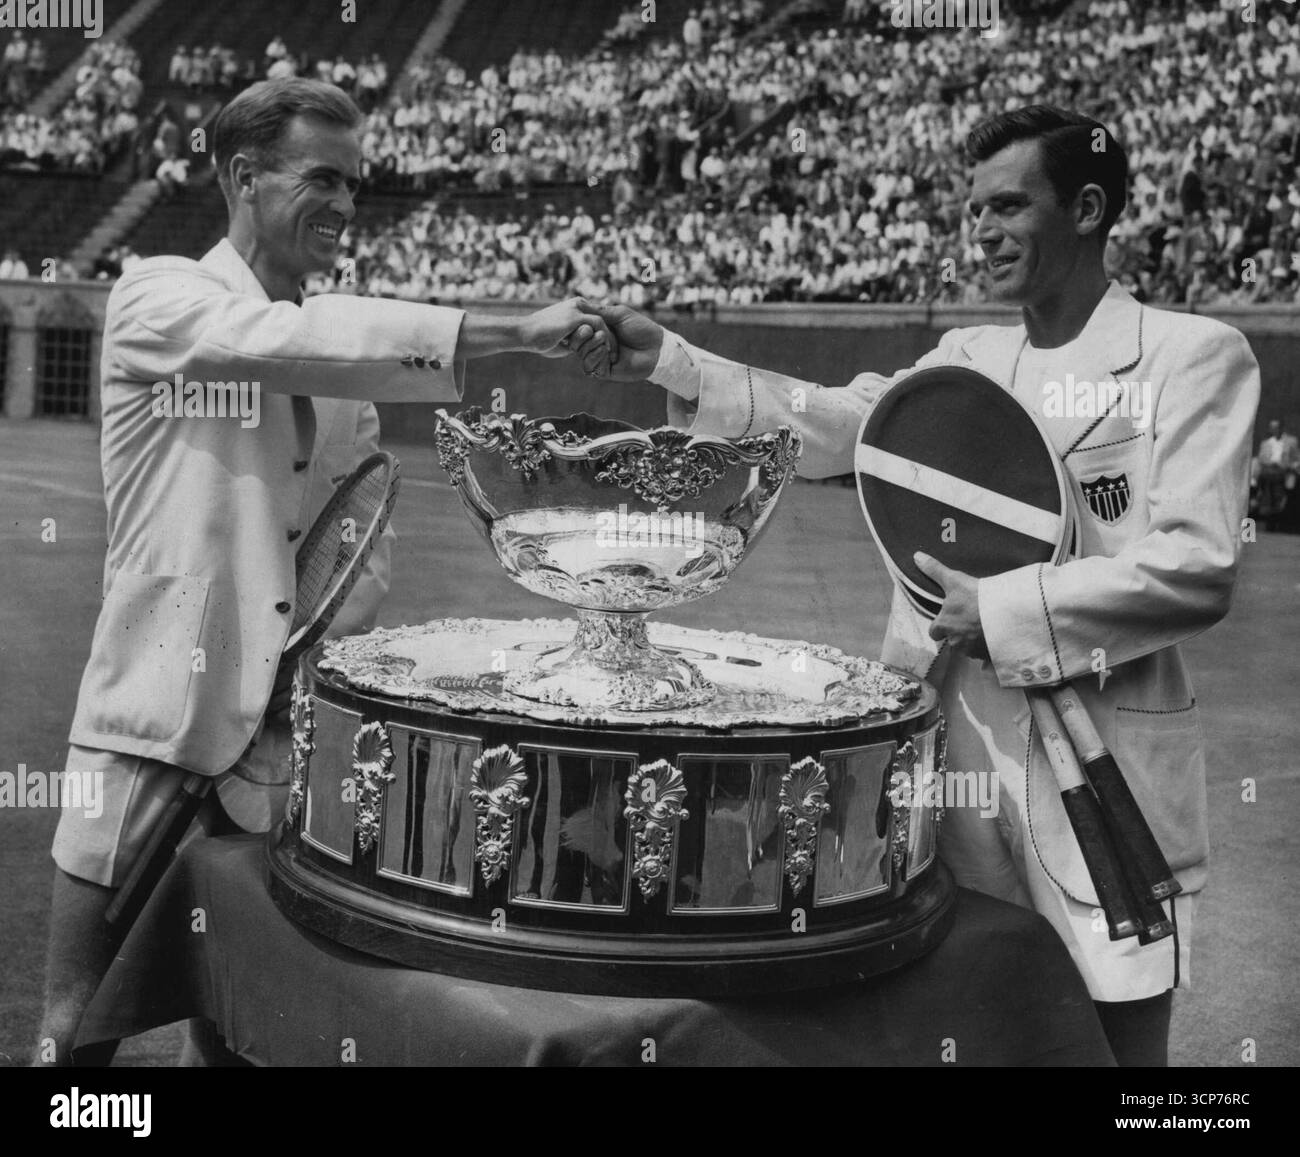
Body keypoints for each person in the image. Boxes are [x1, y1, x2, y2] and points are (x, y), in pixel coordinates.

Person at [587, 106, 1260, 1066]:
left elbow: (1197, 567)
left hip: (1105, 766)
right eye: (973, 210)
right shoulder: (964, 359)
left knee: (1119, 1045)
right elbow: (834, 424)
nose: (981, 231)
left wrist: (1003, 610)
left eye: (1010, 205)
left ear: (1089, 208)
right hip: (947, 754)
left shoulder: (1192, 355)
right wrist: (675, 361)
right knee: (969, 1020)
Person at [33, 77, 613, 1067]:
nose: (346, 204)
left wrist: (311, 683)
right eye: (322, 178)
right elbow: (281, 343)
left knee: (239, 1030)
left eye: (356, 181)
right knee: (71, 1039)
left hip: (279, 754)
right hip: (148, 725)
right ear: (242, 176)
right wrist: (510, 325)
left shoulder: (347, 364)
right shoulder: (157, 296)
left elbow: (360, 542)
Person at [1256, 418, 1298, 531]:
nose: (1273, 429)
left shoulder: (1291, 441)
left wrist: (1287, 465)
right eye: (1271, 427)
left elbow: (1295, 458)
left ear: (1281, 428)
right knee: (1271, 482)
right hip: (1269, 470)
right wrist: (1271, 463)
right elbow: (1261, 458)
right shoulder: (1266, 443)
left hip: (1283, 470)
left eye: (1275, 427)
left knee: (1272, 483)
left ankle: (1271, 510)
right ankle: (1274, 510)